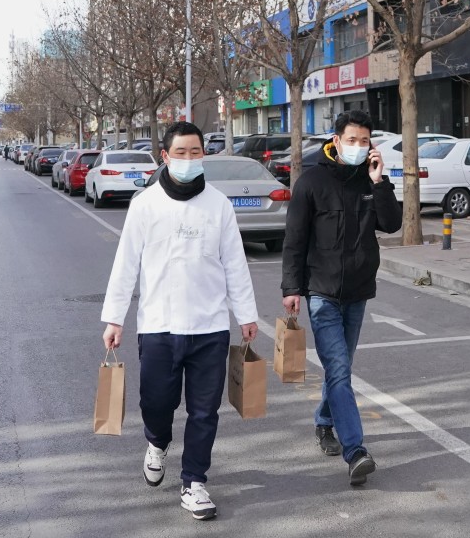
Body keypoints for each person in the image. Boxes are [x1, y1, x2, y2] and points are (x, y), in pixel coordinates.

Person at [100, 121, 258, 521]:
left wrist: (247, 315)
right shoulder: (145, 204)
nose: (189, 159)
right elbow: (126, 265)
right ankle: (157, 442)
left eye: (196, 152)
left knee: (205, 410)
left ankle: (194, 481)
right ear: (166, 157)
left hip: (210, 327)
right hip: (158, 326)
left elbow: (235, 264)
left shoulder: (218, 204)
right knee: (156, 404)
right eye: (181, 153)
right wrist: (114, 318)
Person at [281, 110, 402, 486]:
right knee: (338, 370)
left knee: (341, 368)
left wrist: (380, 182)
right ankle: (356, 451)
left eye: (364, 141)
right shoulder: (312, 181)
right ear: (335, 141)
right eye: (351, 140)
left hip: (359, 292)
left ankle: (323, 420)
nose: (358, 146)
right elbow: (295, 239)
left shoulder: (369, 180)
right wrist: (291, 289)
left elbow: (392, 223)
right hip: (322, 292)